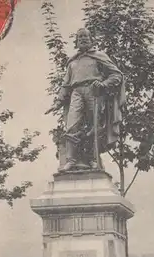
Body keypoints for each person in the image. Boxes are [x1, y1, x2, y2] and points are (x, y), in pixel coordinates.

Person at [46, 28, 126, 172]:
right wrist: (58, 101)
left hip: (94, 92)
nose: (83, 39)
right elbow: (65, 84)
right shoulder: (72, 62)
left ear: (92, 40)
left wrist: (103, 84)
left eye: (86, 37)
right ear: (76, 42)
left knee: (94, 126)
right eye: (79, 37)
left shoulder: (99, 56)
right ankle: (71, 160)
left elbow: (116, 75)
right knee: (71, 125)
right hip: (76, 92)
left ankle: (93, 159)